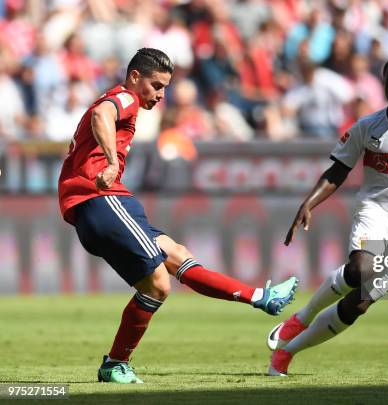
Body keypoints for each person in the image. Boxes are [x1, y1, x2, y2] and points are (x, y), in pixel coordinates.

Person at [57, 48, 298, 384]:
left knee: (177, 255)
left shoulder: (125, 101)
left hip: (97, 204)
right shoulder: (124, 97)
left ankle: (261, 297)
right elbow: (101, 115)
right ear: (135, 76)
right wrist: (112, 162)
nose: (161, 94)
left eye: (165, 87)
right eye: (156, 85)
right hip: (99, 198)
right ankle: (115, 363)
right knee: (158, 284)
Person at [266, 55, 388, 376]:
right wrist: (309, 203)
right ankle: (300, 318)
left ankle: (287, 353)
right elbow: (337, 171)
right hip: (375, 210)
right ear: (383, 84)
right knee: (361, 268)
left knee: (358, 304)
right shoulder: (367, 127)